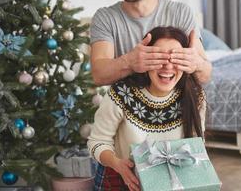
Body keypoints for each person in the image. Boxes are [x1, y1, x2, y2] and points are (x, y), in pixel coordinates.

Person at [88, 26, 206, 191]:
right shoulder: (122, 93)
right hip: (127, 181)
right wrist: (117, 164)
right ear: (145, 60)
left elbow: (195, 148)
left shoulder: (194, 95)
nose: (167, 66)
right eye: (158, 58)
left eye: (176, 58)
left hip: (174, 182)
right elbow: (97, 142)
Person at [90, 0, 212, 86]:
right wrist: (128, 62)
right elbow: (98, 75)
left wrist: (197, 64)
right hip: (127, 110)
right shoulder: (105, 18)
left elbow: (206, 75)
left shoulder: (181, 12)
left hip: (177, 109)